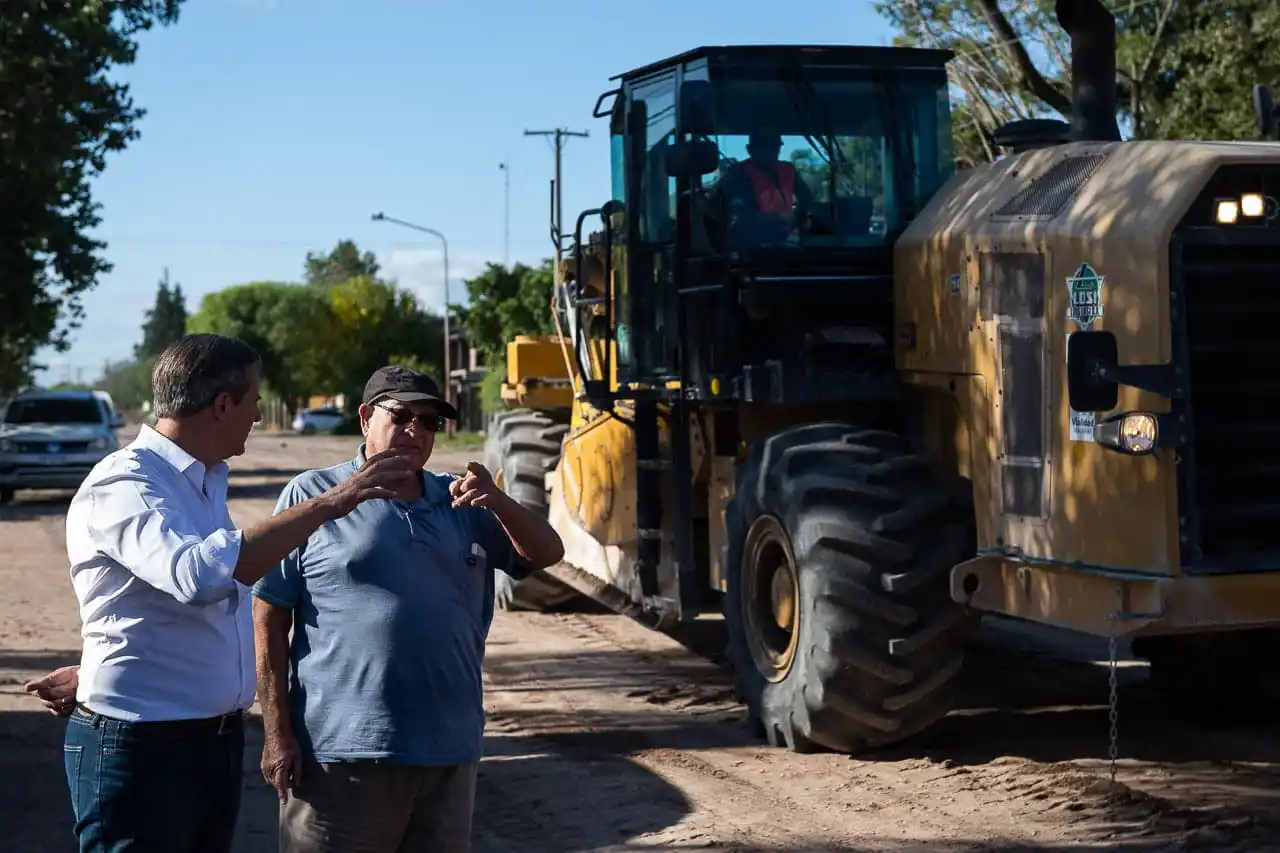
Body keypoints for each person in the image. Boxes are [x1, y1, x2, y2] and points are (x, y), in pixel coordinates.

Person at [24, 334, 417, 853]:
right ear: (223, 404)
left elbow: (157, 605)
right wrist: (334, 501)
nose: (258, 415)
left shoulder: (200, 481)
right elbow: (198, 577)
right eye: (254, 400)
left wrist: (98, 666)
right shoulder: (124, 483)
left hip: (204, 741)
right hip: (143, 748)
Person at [253, 365, 565, 853]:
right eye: (400, 416)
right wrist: (277, 733)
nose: (415, 431)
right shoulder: (314, 495)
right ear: (364, 419)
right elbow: (269, 617)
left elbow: (547, 553)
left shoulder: (459, 501)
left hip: (447, 753)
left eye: (429, 421)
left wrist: (498, 501)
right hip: (341, 755)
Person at [715, 127, 818, 246]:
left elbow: (807, 199)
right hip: (750, 247)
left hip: (786, 243)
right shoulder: (737, 173)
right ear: (750, 150)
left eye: (775, 147)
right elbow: (737, 218)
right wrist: (779, 218)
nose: (771, 152)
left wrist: (802, 216)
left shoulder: (788, 170)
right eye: (764, 147)